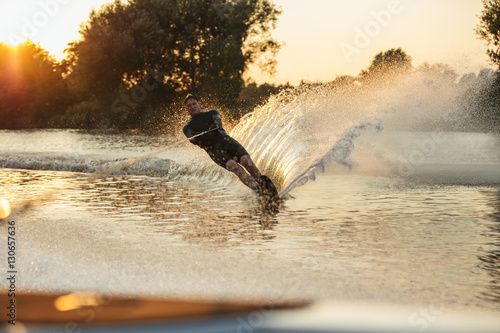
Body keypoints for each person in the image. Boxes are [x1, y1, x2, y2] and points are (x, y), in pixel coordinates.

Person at [182, 94, 265, 192]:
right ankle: (259, 190)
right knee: (235, 167)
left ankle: (264, 184)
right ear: (186, 108)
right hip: (215, 151)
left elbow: (217, 119)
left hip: (227, 142)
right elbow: (191, 138)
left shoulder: (211, 113)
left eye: (194, 104)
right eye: (189, 106)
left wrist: (215, 125)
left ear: (199, 104)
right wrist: (198, 135)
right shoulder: (187, 127)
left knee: (247, 161)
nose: (192, 107)